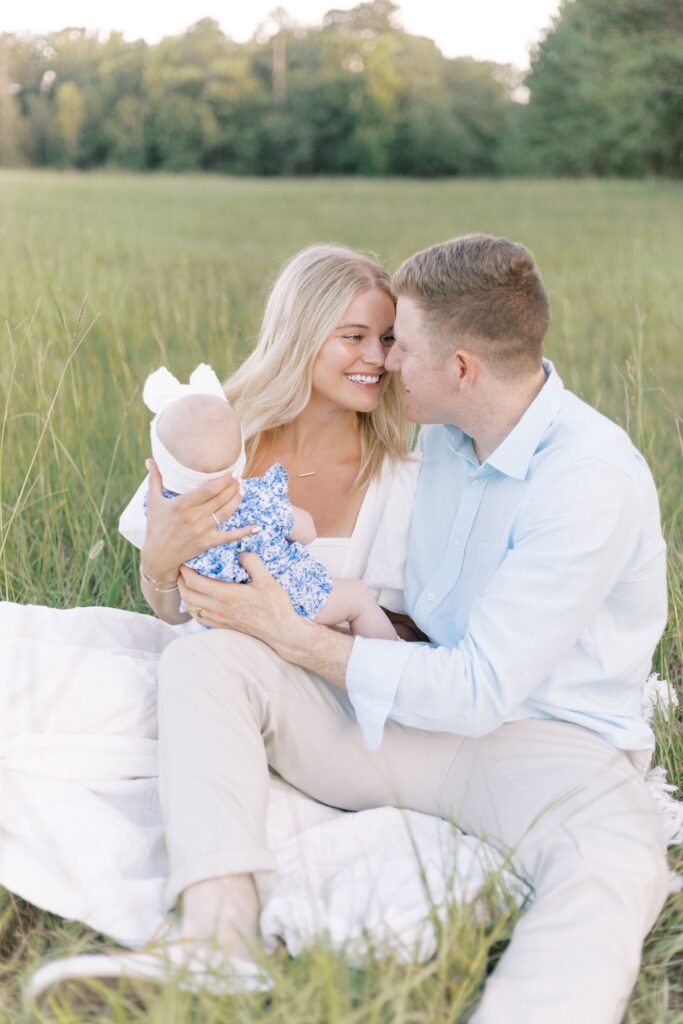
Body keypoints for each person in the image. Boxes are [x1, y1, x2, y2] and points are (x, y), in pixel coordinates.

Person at [29, 235, 670, 1021]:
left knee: (613, 864)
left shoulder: (586, 480)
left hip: (544, 744)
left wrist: (299, 632)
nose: (386, 362)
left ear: (460, 369)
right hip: (396, 719)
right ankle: (219, 939)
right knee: (208, 665)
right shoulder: (441, 440)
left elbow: (478, 694)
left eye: (402, 345)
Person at [135, 364, 397, 638]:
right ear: (240, 455)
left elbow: (179, 608)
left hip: (219, 626)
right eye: (353, 336)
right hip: (294, 599)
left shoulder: (162, 508)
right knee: (357, 597)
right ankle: (389, 666)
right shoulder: (257, 499)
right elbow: (307, 531)